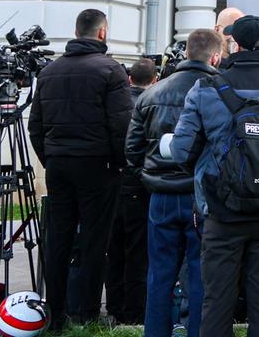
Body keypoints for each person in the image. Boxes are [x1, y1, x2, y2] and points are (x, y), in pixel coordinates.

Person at [168, 18, 259, 337]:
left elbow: (182, 151)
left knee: (217, 298)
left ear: (235, 44)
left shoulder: (207, 87)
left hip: (220, 210)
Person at [29, 8, 134, 330]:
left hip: (60, 163)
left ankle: (55, 312)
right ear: (102, 33)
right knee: (94, 241)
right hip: (97, 164)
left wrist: (52, 157)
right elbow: (121, 125)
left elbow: (36, 126)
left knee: (58, 239)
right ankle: (87, 312)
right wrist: (119, 163)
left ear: (77, 32)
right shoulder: (111, 70)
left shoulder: (49, 71)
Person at [131, 28, 221, 337]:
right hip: (199, 194)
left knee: (160, 273)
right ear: (216, 56)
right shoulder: (217, 92)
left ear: (186, 53)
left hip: (162, 193)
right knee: (199, 274)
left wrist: (149, 178)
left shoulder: (152, 92)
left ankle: (156, 332)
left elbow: (133, 148)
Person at [104, 60, 157, 326]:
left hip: (116, 183)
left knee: (114, 250)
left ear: (129, 79)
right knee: (138, 252)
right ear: (155, 79)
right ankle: (135, 312)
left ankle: (114, 306)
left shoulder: (117, 104)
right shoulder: (151, 105)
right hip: (139, 185)